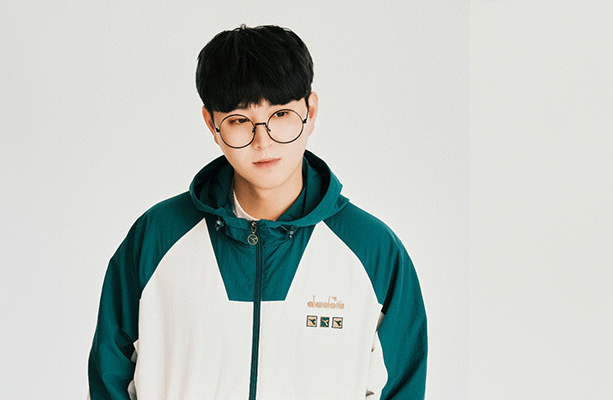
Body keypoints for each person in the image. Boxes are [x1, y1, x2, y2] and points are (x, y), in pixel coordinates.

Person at [88, 24, 427, 400]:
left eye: (281, 114)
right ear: (212, 124)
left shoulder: (372, 250)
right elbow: (109, 377)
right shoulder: (156, 237)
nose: (263, 141)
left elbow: (401, 388)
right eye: (239, 121)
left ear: (311, 111)